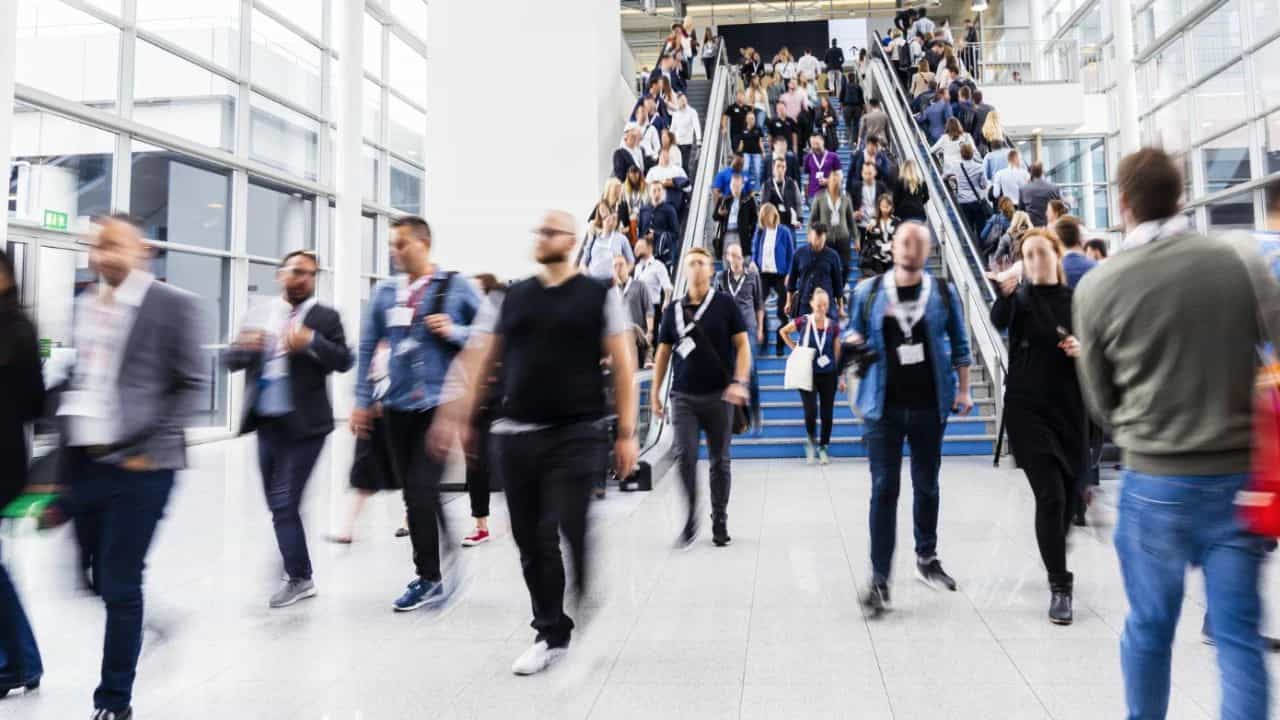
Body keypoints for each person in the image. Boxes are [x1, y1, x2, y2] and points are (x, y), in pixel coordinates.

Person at [1073, 147, 1272, 719]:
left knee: (1149, 629)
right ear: (1181, 193)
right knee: (1238, 639)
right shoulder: (1238, 261)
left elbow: (1102, 403)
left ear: (1125, 203)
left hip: (1154, 482)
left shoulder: (1099, 287)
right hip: (1238, 480)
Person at [431, 209, 637, 676]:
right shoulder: (510, 296)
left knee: (572, 524)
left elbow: (624, 364)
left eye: (550, 231)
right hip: (517, 435)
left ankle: (588, 608)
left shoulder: (598, 295)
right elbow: (478, 356)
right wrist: (455, 413)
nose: (541, 237)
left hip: (579, 432)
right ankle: (552, 632)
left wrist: (627, 431)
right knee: (531, 540)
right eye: (539, 231)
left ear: (570, 239)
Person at [56, 214, 205, 719]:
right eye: (98, 246)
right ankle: (147, 622)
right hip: (86, 459)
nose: (104, 256)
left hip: (143, 466)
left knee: (120, 581)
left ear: (142, 250)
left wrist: (150, 446)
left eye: (115, 246)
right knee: (85, 577)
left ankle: (113, 701)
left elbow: (190, 383)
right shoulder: (84, 303)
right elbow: (82, 376)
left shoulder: (173, 305)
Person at [352, 216, 484, 613]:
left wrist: (455, 331)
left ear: (424, 244)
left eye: (402, 244)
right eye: (392, 245)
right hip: (395, 406)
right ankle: (439, 567)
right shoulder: (385, 293)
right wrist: (361, 400)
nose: (395, 252)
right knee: (415, 493)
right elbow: (366, 347)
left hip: (437, 406)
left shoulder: (455, 287)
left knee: (421, 490)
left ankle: (430, 577)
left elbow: (489, 334)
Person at [848, 222, 973, 615]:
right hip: (882, 407)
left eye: (918, 244)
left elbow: (960, 343)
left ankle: (926, 557)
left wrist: (965, 389)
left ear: (928, 250)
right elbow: (852, 333)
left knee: (927, 485)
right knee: (884, 489)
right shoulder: (867, 292)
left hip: (928, 405)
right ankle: (880, 579)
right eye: (904, 241)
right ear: (893, 245)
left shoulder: (942, 292)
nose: (910, 249)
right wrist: (851, 347)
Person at [225, 249, 354, 607]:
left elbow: (344, 360)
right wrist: (244, 347)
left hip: (306, 426)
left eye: (310, 274)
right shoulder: (260, 313)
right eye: (296, 271)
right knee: (277, 503)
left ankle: (300, 577)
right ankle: (294, 560)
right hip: (267, 421)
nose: (303, 278)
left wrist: (311, 341)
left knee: (284, 501)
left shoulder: (325, 317)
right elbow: (231, 360)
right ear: (280, 274)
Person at [989, 228, 1085, 625]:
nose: (1035, 261)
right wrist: (1004, 293)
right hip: (1027, 410)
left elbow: (1100, 341)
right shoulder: (1019, 299)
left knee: (1067, 496)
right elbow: (999, 320)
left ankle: (1055, 545)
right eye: (1027, 255)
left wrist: (1084, 347)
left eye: (1041, 253)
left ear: (1056, 255)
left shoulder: (1078, 301)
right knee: (1051, 496)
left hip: (1070, 409)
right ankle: (1060, 586)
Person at [652, 247, 751, 547]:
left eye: (701, 263)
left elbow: (743, 346)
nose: (696, 267)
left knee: (720, 461)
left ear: (711, 270)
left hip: (720, 396)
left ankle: (719, 518)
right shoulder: (672, 311)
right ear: (684, 270)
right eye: (691, 263)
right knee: (686, 457)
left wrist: (739, 381)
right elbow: (663, 352)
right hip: (683, 397)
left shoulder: (725, 304)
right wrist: (655, 392)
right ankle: (690, 516)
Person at [0, 247, 44, 699]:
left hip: (3, 459)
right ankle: (22, 661)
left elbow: (36, 404)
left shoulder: (18, 329)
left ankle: (18, 663)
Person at [329, 339, 403, 544]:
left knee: (407, 471)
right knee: (364, 472)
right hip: (373, 420)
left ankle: (409, 521)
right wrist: (359, 408)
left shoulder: (401, 344)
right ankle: (346, 529)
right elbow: (361, 382)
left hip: (397, 418)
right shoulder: (370, 347)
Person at [459, 274, 506, 544]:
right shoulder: (467, 324)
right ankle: (481, 525)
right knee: (476, 461)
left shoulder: (503, 318)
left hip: (507, 395)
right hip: (477, 399)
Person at [718, 243, 764, 427]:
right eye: (732, 256)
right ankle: (739, 418)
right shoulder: (721, 277)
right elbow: (716, 302)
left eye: (738, 256)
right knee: (731, 372)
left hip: (748, 329)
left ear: (742, 257)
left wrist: (760, 328)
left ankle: (756, 412)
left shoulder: (752, 276)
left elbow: (759, 303)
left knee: (750, 371)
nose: (735, 260)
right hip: (728, 331)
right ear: (727, 257)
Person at [752, 203, 797, 357]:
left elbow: (792, 255)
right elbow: (755, 250)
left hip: (780, 275)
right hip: (763, 275)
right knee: (759, 307)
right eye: (763, 216)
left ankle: (780, 343)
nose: (765, 219)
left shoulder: (784, 232)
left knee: (781, 311)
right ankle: (762, 340)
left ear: (774, 215)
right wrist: (753, 263)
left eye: (767, 216)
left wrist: (789, 274)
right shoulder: (760, 232)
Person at [811, 168, 861, 287]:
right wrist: (811, 234)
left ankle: (840, 290)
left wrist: (856, 238)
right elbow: (813, 218)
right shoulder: (819, 197)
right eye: (833, 179)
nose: (835, 182)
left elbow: (851, 220)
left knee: (845, 267)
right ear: (828, 181)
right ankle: (829, 291)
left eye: (837, 180)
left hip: (843, 238)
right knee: (826, 267)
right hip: (826, 239)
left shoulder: (846, 198)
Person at [786, 223, 844, 320]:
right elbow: (791, 281)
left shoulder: (833, 256)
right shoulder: (799, 254)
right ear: (809, 236)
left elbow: (838, 283)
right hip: (805, 303)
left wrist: (841, 307)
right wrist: (788, 302)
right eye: (816, 237)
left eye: (821, 238)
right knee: (805, 333)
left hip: (826, 304)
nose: (819, 241)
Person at [634, 234, 673, 355]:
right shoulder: (638, 267)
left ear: (649, 248)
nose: (636, 249)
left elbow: (667, 286)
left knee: (651, 339)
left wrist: (666, 301)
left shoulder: (658, 266)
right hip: (637, 308)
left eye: (640, 247)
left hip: (652, 307)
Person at [613, 255, 654, 372]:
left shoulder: (639, 286)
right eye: (614, 266)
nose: (618, 268)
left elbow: (649, 309)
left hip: (638, 333)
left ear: (628, 267)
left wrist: (650, 332)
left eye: (621, 264)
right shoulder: (611, 292)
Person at [581, 203, 636, 281]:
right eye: (606, 217)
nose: (611, 219)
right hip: (593, 282)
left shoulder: (621, 239)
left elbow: (631, 262)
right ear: (601, 221)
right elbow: (582, 263)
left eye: (614, 218)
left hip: (612, 283)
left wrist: (621, 276)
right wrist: (588, 278)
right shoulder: (593, 239)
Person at [714, 173, 759, 260]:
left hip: (742, 235)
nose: (735, 189)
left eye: (737, 186)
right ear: (730, 185)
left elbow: (755, 219)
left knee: (743, 261)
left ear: (742, 186)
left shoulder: (749, 200)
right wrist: (719, 213)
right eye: (733, 185)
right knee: (727, 262)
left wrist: (749, 231)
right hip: (727, 235)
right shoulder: (724, 199)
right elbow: (715, 217)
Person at [638, 182, 681, 269]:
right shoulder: (644, 210)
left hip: (662, 255)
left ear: (663, 192)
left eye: (659, 190)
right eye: (654, 191)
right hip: (646, 254)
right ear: (650, 193)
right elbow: (640, 232)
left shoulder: (670, 210)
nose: (657, 193)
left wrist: (657, 234)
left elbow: (676, 234)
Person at [953, 144, 989, 239]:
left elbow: (945, 176)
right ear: (972, 154)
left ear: (961, 154)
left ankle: (970, 248)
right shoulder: (979, 167)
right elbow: (984, 185)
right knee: (981, 227)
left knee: (968, 228)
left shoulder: (956, 167)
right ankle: (982, 250)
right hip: (977, 201)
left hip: (963, 201)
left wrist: (954, 179)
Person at [861, 193, 899, 277]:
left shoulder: (896, 221)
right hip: (877, 257)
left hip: (892, 258)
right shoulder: (873, 221)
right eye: (883, 206)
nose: (885, 209)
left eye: (887, 206)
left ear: (891, 206)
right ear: (879, 206)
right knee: (881, 282)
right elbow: (868, 239)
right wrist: (869, 230)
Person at [762, 155, 804, 229]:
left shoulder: (792, 183)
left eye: (783, 167)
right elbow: (762, 206)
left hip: (789, 223)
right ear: (773, 168)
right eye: (778, 166)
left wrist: (799, 219)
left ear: (786, 169)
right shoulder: (766, 185)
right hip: (772, 224)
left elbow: (798, 203)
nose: (780, 169)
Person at [670, 92, 702, 178]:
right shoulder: (675, 113)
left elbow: (696, 126)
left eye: (684, 100)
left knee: (684, 164)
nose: (683, 102)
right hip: (677, 142)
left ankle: (686, 182)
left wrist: (699, 140)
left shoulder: (692, 112)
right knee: (677, 165)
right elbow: (672, 128)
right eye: (680, 101)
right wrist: (670, 140)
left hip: (687, 142)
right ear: (677, 102)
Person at [1020, 162, 1062, 227]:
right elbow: (1061, 208)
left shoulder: (1023, 189)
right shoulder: (1054, 188)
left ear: (1030, 173)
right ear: (1043, 172)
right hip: (1050, 226)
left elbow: (1021, 211)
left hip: (1031, 228)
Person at [803, 134, 842, 200]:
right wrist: (806, 194)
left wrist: (828, 181)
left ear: (822, 141)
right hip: (813, 195)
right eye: (812, 144)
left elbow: (840, 177)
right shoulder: (808, 157)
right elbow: (806, 178)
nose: (814, 146)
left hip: (830, 194)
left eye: (816, 143)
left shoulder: (833, 156)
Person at [979, 196, 1017, 262]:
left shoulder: (995, 218)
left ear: (1000, 207)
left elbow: (982, 235)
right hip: (1012, 253)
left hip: (996, 252)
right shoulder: (1017, 219)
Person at [893, 159, 930, 224]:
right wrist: (919, 203)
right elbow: (927, 197)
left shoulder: (899, 181)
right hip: (919, 213)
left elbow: (895, 199)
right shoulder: (922, 181)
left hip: (903, 213)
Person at [736, 112, 766, 187]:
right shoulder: (743, 129)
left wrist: (763, 152)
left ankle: (757, 187)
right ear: (746, 119)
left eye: (752, 118)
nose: (751, 120)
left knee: (757, 171)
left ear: (755, 119)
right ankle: (745, 185)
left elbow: (760, 142)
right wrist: (738, 153)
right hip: (746, 153)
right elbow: (741, 142)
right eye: (749, 118)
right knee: (745, 168)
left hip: (756, 153)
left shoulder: (758, 129)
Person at [722, 91, 753, 156]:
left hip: (746, 132)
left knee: (746, 150)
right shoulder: (732, 107)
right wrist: (724, 127)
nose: (740, 97)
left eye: (742, 95)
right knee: (736, 151)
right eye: (739, 95)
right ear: (736, 97)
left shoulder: (748, 107)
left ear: (744, 97)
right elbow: (725, 117)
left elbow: (752, 117)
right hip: (735, 133)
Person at [841, 70, 866, 137]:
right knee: (856, 124)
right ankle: (855, 140)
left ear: (848, 78)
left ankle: (849, 138)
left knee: (848, 124)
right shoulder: (858, 86)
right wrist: (864, 109)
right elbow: (861, 99)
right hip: (857, 108)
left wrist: (841, 108)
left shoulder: (844, 86)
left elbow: (841, 98)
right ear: (854, 78)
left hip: (847, 107)